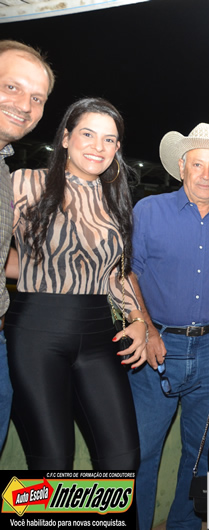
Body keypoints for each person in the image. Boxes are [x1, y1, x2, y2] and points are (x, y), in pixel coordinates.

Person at [7, 98, 146, 470]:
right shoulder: (25, 182)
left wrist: (138, 320)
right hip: (36, 332)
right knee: (52, 461)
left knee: (123, 458)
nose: (98, 147)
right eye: (88, 134)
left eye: (109, 139)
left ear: (117, 148)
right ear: (66, 138)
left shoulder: (116, 200)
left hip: (100, 335)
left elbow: (114, 272)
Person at [128, 123, 209, 529]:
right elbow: (128, 274)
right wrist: (146, 328)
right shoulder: (148, 210)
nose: (205, 174)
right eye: (197, 164)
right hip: (156, 348)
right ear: (181, 167)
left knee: (201, 455)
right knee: (142, 452)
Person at [0, 39, 53, 453]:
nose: (24, 105)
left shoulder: (4, 172)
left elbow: (5, 257)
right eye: (11, 87)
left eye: (37, 98)